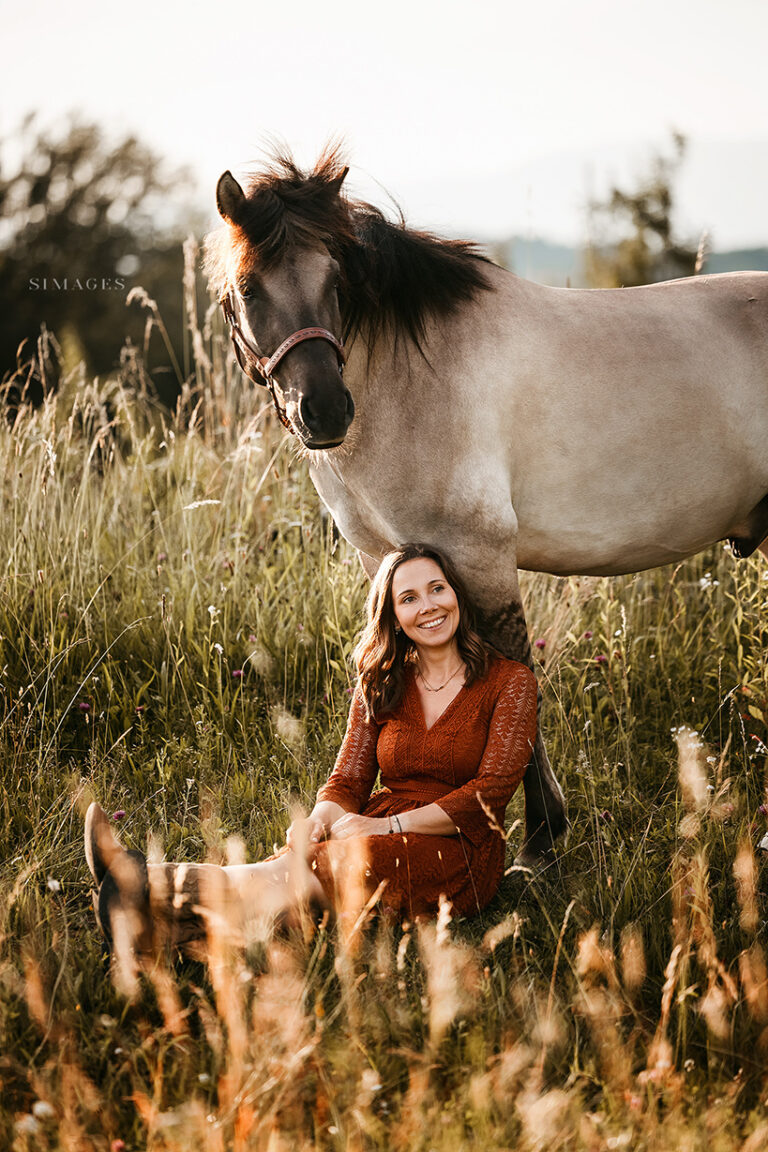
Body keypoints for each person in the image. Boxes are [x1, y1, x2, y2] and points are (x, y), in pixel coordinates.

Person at [85, 543, 538, 959]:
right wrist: (318, 820)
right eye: (409, 598)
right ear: (394, 616)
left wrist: (384, 826)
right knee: (297, 870)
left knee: (308, 870)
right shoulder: (382, 680)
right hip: (375, 824)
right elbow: (348, 780)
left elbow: (490, 795)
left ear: (456, 593)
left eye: (437, 588)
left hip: (460, 849)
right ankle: (159, 940)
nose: (429, 606)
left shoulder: (508, 682)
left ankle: (140, 882)